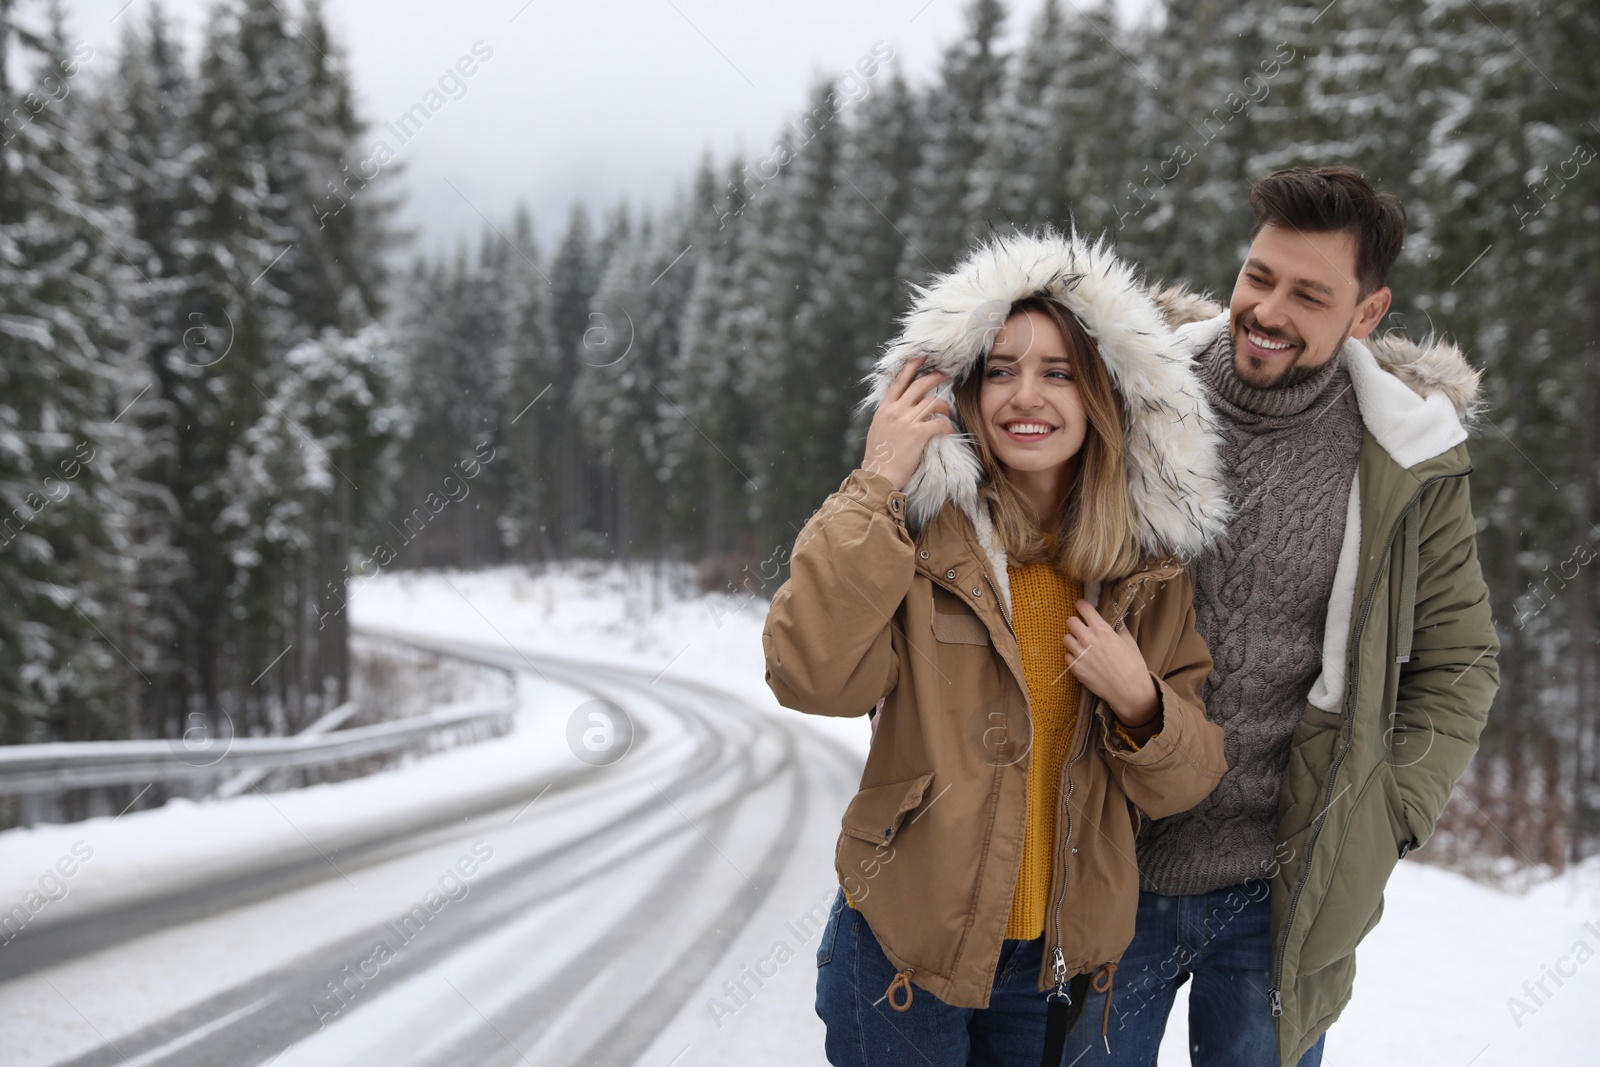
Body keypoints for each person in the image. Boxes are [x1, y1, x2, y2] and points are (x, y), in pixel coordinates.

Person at [1059, 166, 1501, 1066]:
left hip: (1278, 887)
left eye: (1309, 294)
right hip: (1113, 857)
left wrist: (1390, 807)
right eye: (1260, 277)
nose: (1267, 309)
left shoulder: (1403, 456)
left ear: (1366, 313)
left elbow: (1461, 662)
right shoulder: (1136, 399)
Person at [762, 231, 1232, 1066]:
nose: (1028, 395)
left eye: (1058, 372)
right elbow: (811, 675)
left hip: (1054, 969)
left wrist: (1141, 702)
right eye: (1002, 369)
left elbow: (1187, 780)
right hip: (907, 951)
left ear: (1103, 397)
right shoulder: (914, 534)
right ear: (965, 391)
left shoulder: (1145, 570)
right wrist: (876, 480)